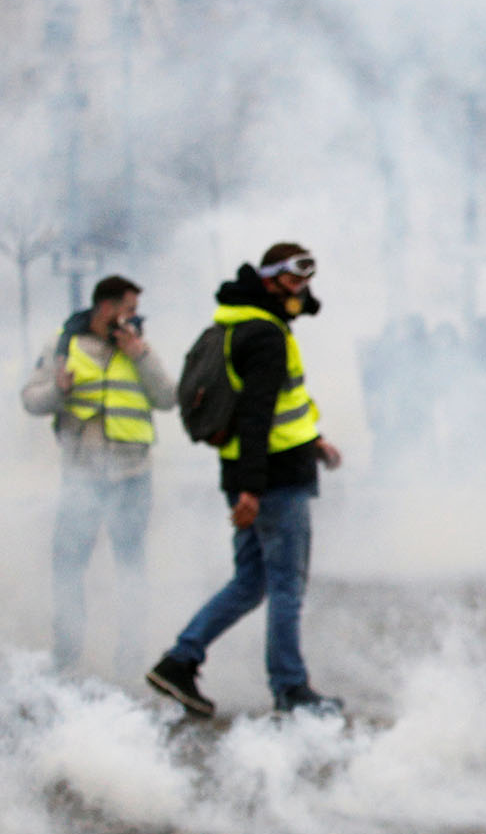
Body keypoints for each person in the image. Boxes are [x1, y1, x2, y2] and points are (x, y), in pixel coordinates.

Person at [144, 244, 345, 718]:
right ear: (271, 280)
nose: (301, 292)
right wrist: (254, 491)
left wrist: (313, 440)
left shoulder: (239, 321)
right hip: (273, 479)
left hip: (252, 472)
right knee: (285, 586)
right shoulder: (265, 334)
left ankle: (179, 662)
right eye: (293, 281)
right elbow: (255, 416)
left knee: (251, 582)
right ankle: (291, 690)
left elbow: (275, 407)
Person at [20, 275, 176, 675]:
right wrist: (58, 391)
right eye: (129, 310)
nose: (134, 319)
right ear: (105, 309)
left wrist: (140, 355)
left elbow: (166, 398)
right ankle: (66, 654)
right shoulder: (64, 345)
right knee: (68, 566)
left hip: (132, 475)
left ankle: (130, 657)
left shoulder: (139, 348)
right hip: (82, 478)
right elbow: (31, 401)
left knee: (131, 569)